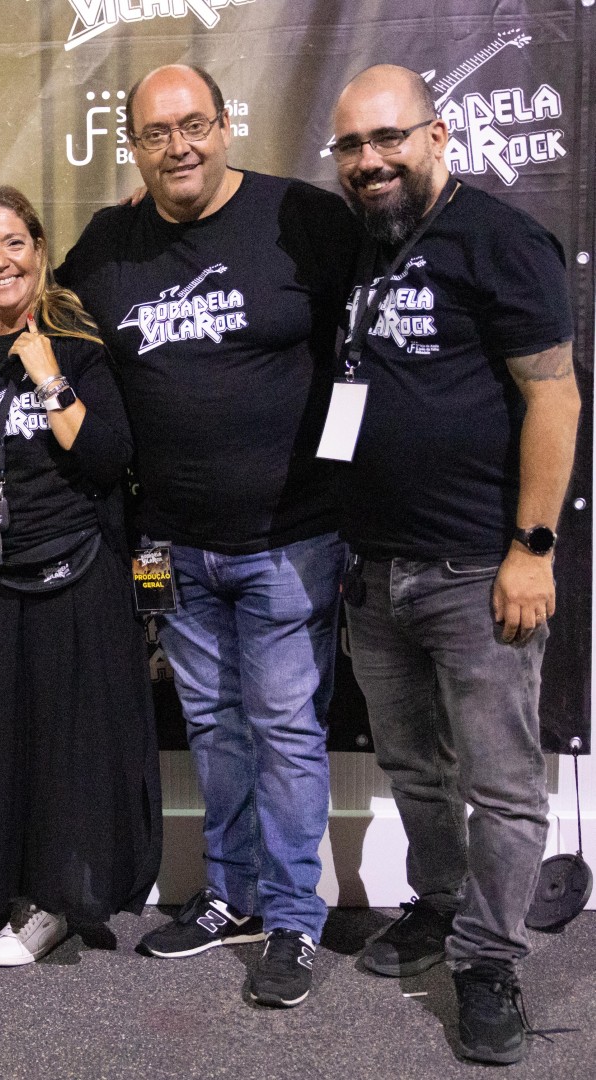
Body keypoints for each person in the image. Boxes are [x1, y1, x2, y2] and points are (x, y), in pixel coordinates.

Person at [57, 64, 358, 1007]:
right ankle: (230, 895)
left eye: (193, 125)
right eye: (156, 133)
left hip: (290, 539)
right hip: (172, 544)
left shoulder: (302, 219)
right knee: (215, 730)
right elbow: (25, 299)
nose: (178, 146)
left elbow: (387, 305)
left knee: (286, 732)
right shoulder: (109, 243)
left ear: (227, 125)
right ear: (133, 147)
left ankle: (294, 919)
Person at [331, 65, 580, 1065]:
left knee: (504, 787)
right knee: (412, 769)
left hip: (478, 571)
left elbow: (555, 397)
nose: (370, 160)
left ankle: (487, 964)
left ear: (436, 136)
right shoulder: (360, 238)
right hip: (373, 569)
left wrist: (531, 549)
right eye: (352, 145)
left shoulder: (501, 239)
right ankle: (438, 904)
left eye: (388, 138)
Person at [0, 185, 161, 966]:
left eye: (13, 243)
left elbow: (110, 458)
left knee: (66, 750)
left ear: (40, 251)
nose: (0, 261)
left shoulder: (77, 345)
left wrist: (51, 377)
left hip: (74, 577)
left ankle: (56, 901)